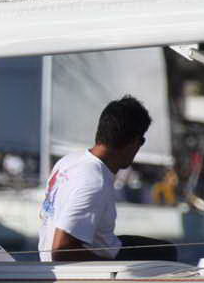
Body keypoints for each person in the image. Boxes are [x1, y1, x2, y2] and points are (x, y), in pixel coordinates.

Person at [39, 95, 178, 262]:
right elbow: (61, 251)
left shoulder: (68, 161)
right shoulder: (94, 181)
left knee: (162, 249)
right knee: (167, 253)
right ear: (133, 142)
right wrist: (116, 268)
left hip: (54, 258)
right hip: (77, 266)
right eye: (141, 140)